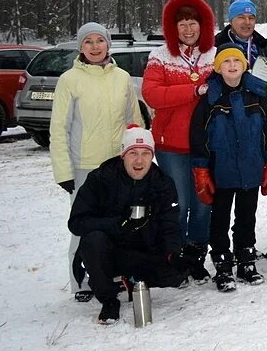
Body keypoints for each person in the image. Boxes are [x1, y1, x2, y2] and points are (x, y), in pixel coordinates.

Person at [51, 21, 145, 300]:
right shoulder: (69, 80)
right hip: (85, 167)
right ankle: (80, 282)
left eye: (99, 41)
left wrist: (138, 157)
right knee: (84, 225)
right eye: (88, 42)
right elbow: (59, 128)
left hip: (118, 165)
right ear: (80, 47)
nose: (95, 47)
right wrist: (64, 171)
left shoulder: (122, 77)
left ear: (108, 44)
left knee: (118, 223)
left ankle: (111, 274)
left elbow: (134, 122)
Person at [69, 126, 189, 324]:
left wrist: (173, 253)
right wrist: (115, 224)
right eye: (132, 153)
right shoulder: (100, 179)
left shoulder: (163, 183)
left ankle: (133, 280)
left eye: (145, 153)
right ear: (122, 155)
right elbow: (76, 223)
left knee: (175, 274)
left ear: (152, 156)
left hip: (144, 249)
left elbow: (170, 224)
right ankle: (109, 300)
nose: (139, 160)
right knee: (92, 241)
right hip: (111, 250)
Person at [142, 0, 217, 283]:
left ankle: (196, 257)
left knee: (203, 203)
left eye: (193, 23)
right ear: (173, 28)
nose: (188, 29)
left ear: (203, 25)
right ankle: (175, 257)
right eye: (182, 24)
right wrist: (191, 91)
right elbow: (152, 95)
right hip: (172, 145)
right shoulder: (160, 57)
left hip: (206, 144)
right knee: (180, 204)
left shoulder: (213, 55)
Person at [189, 47, 267, 291]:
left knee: (246, 217)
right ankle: (222, 264)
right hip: (221, 170)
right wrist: (201, 170)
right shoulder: (210, 97)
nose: (231, 65)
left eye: (236, 61)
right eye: (225, 61)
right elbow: (198, 136)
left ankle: (246, 260)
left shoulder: (258, 93)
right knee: (219, 219)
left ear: (244, 65)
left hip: (250, 167)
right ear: (217, 67)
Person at [214, 0, 267, 68]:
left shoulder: (265, 45)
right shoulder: (216, 45)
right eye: (241, 17)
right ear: (231, 21)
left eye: (251, 18)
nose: (247, 22)